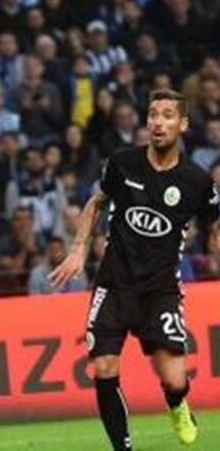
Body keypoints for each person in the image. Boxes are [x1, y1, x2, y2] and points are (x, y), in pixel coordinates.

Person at [50, 90, 218, 448]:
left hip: (160, 291)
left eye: (168, 115)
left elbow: (215, 226)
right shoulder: (122, 163)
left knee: (174, 378)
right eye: (153, 114)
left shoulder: (197, 181)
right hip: (113, 285)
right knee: (105, 368)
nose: (158, 122)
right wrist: (78, 249)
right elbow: (96, 203)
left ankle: (177, 404)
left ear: (183, 124)